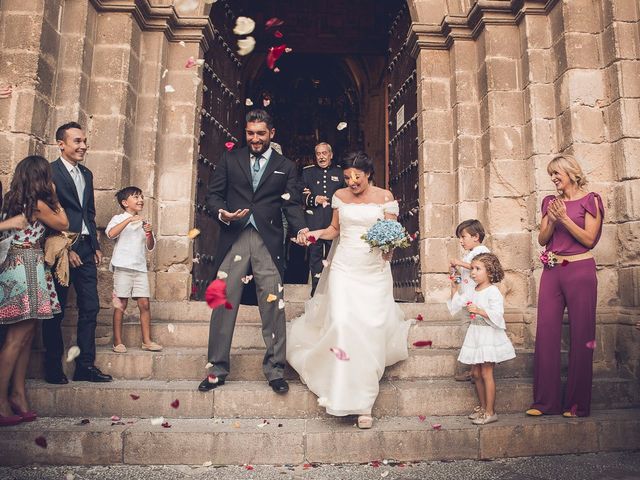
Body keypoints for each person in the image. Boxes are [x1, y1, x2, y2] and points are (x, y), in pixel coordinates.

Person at [287, 151, 413, 429]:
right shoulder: (340, 197)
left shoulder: (384, 197)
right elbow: (335, 229)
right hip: (344, 267)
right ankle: (343, 392)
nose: (352, 181)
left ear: (369, 174)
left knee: (367, 330)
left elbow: (392, 232)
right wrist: (316, 233)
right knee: (343, 323)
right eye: (347, 177)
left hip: (374, 270)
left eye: (357, 176)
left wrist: (390, 248)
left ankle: (364, 402)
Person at [199, 109, 308, 394]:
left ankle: (275, 370)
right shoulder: (229, 158)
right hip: (234, 236)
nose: (255, 139)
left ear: (272, 133)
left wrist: (300, 230)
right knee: (222, 302)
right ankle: (217, 369)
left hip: (267, 241)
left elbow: (292, 204)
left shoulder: (286, 165)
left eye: (261, 133)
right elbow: (213, 195)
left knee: (273, 303)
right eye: (250, 133)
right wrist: (223, 213)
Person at [527, 154, 604, 418]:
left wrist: (566, 219)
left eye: (556, 173)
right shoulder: (550, 201)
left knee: (582, 335)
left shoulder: (591, 199)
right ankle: (544, 402)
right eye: (551, 175)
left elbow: (590, 239)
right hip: (552, 270)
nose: (553, 179)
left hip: (580, 269)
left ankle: (576, 404)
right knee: (546, 332)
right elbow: (542, 238)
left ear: (570, 172)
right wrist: (552, 217)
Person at [0, 156, 69, 426]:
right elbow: (63, 222)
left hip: (24, 266)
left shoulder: (12, 199)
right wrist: (54, 195)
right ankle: (2, 399)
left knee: (27, 335)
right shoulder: (39, 204)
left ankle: (18, 394)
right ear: (41, 178)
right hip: (25, 267)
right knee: (17, 338)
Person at [42, 122, 112, 384]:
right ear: (61, 144)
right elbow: (45, 213)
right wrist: (65, 246)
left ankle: (85, 366)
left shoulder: (87, 174)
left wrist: (94, 244)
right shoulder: (49, 172)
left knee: (90, 307)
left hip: (85, 247)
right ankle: (52, 367)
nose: (83, 146)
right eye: (77, 141)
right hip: (61, 248)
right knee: (56, 310)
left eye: (84, 141)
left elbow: (88, 213)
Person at [447, 253, 516, 425]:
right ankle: (483, 407)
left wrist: (478, 311)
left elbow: (498, 315)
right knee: (476, 373)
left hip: (487, 335)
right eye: (472, 269)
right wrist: (455, 285)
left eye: (478, 269)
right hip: (475, 334)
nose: (473, 273)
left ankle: (491, 412)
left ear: (490, 272)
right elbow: (457, 303)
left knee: (486, 372)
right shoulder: (473, 290)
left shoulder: (493, 291)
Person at [106, 186, 161, 354]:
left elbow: (150, 247)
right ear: (125, 203)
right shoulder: (118, 218)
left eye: (141, 196)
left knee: (144, 303)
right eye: (136, 197)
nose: (140, 200)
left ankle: (147, 341)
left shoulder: (144, 222)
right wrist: (128, 220)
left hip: (139, 268)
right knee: (121, 303)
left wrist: (149, 233)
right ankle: (118, 342)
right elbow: (110, 234)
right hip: (123, 266)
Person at [449, 219, 490, 382]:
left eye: (463, 236)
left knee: (475, 335)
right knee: (468, 336)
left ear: (476, 236)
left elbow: (480, 266)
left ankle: (477, 370)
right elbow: (465, 279)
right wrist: (455, 276)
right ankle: (474, 370)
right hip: (468, 300)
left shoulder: (482, 250)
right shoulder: (469, 254)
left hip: (477, 303)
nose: (460, 241)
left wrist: (459, 262)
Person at [301, 142, 345, 296]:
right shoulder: (307, 173)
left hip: (334, 222)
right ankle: (316, 293)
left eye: (324, 153)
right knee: (315, 258)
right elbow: (300, 193)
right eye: (318, 154)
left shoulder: (340, 173)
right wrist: (314, 199)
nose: (321, 157)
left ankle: (335, 292)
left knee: (337, 258)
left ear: (331, 155)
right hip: (314, 222)